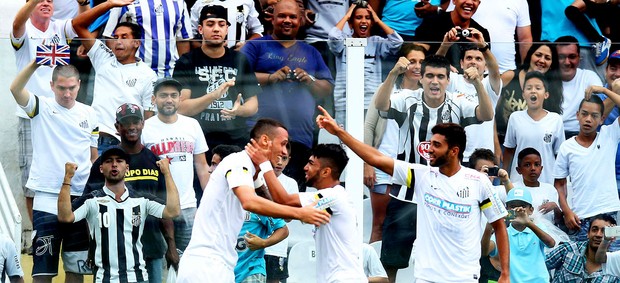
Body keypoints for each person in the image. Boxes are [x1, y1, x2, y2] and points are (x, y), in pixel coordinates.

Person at [315, 111, 510, 282]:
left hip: (464, 278)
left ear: (454, 151)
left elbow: (499, 226)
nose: (429, 149)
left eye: (436, 145)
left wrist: (505, 274)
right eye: (430, 143)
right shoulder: (422, 176)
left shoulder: (478, 182)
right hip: (427, 277)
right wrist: (339, 132)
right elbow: (374, 158)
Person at [176, 118, 330, 283]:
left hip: (217, 266)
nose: (285, 152)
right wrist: (300, 213)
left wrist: (262, 170)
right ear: (265, 141)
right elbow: (249, 201)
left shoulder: (250, 171)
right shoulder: (238, 162)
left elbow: (276, 209)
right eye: (283, 144)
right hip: (207, 266)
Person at [9, 61, 98, 283]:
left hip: (80, 199)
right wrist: (35, 64)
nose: (67, 94)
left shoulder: (90, 113)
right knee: (43, 271)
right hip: (47, 197)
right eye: (61, 88)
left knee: (76, 269)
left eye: (71, 88)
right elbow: (15, 89)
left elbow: (93, 156)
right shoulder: (41, 106)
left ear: (79, 85)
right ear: (51, 85)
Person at [241, 0, 335, 191]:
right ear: (271, 18)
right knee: (257, 195)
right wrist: (270, 77)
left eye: (292, 17)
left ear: (300, 20)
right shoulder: (256, 46)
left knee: (291, 198)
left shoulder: (311, 51)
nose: (287, 20)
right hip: (261, 138)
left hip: (299, 139)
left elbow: (327, 87)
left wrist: (309, 80)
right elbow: (238, 76)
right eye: (282, 16)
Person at [246, 143, 367, 282]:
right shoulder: (331, 198)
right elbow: (281, 210)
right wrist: (257, 182)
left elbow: (283, 201)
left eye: (311, 163)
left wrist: (264, 164)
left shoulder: (332, 196)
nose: (305, 167)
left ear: (325, 172)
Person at [85, 103, 178, 282]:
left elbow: (165, 207)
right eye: (126, 122)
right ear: (117, 127)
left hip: (151, 248)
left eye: (135, 121)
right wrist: (92, 246)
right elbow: (90, 207)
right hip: (114, 253)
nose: (131, 127)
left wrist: (171, 246)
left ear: (143, 124)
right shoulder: (104, 164)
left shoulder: (154, 161)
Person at [58, 148, 181, 283]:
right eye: (109, 161)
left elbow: (173, 211)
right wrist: (67, 178)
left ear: (127, 168)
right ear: (101, 168)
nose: (114, 164)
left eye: (119, 161)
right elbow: (65, 217)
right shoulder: (91, 200)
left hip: (138, 278)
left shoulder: (141, 199)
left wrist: (167, 173)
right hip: (104, 279)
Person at [11, 0, 80, 224]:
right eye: (40, 0)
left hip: (62, 112)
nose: (46, 3)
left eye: (50, 0)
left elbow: (80, 23)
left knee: (66, 173)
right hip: (31, 113)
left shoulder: (59, 27)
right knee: (31, 178)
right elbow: (16, 23)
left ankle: (67, 227)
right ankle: (36, 232)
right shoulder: (24, 29)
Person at [374, 54, 494, 168]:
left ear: (448, 80)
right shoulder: (407, 99)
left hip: (446, 180)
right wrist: (393, 73)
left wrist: (477, 84)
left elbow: (487, 115)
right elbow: (380, 105)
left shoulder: (458, 102)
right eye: (430, 76)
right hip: (411, 182)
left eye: (440, 77)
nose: (435, 81)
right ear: (421, 79)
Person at [71, 0, 158, 154]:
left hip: (128, 144)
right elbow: (77, 24)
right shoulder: (103, 57)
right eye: (115, 37)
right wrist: (110, 4)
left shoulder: (148, 74)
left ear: (136, 42)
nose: (118, 41)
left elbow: (148, 118)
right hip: (96, 142)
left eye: (124, 37)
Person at [173, 5, 260, 154]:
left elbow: (253, 104)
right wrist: (214, 95)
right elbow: (181, 107)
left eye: (221, 24)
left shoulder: (239, 60)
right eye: (210, 24)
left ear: (227, 29)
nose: (216, 29)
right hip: (199, 138)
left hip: (236, 138)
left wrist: (239, 110)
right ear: (200, 29)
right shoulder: (186, 61)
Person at [363, 44, 424, 252]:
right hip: (382, 167)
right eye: (412, 61)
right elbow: (369, 127)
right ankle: (372, 275)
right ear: (402, 62)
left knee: (415, 230)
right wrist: (367, 164)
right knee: (379, 225)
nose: (417, 66)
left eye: (422, 62)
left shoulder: (430, 95)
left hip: (414, 171)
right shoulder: (387, 89)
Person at [142, 78, 211, 253]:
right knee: (160, 264)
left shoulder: (192, 125)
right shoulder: (144, 128)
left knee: (190, 262)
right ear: (153, 99)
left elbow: (202, 168)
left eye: (173, 95)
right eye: (163, 95)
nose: (169, 99)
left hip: (188, 207)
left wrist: (209, 201)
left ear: (180, 98)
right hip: (158, 207)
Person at [554, 94, 620, 246]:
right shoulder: (567, 146)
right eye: (584, 114)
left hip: (610, 215)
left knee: (611, 262)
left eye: (594, 115)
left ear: (602, 119)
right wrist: (567, 211)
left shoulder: (609, 135)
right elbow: (559, 184)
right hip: (579, 218)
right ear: (577, 115)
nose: (588, 119)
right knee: (582, 265)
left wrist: (602, 89)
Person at [328, 2, 403, 128]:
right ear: (351, 23)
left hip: (371, 103)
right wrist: (348, 15)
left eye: (367, 18)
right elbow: (333, 37)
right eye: (358, 17)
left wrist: (377, 20)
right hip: (345, 103)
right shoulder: (343, 41)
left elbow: (397, 42)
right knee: (345, 144)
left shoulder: (376, 41)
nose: (364, 21)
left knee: (368, 144)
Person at [437, 33, 501, 165]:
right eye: (469, 58)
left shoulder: (490, 84)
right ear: (461, 63)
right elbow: (434, 67)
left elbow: (495, 69)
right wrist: (445, 45)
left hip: (484, 158)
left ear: (486, 65)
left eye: (479, 59)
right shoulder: (453, 80)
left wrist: (483, 47)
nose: (473, 61)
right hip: (455, 155)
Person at [503, 72, 565, 184]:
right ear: (523, 94)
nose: (533, 91)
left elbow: (559, 155)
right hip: (518, 181)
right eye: (529, 88)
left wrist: (560, 182)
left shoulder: (555, 120)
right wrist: (504, 178)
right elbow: (509, 150)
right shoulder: (515, 118)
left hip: (546, 180)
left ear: (546, 94)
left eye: (538, 88)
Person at [496, 42, 564, 143]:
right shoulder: (510, 77)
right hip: (502, 138)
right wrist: (496, 143)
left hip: (534, 143)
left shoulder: (552, 87)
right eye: (538, 55)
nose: (542, 60)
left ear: (551, 65)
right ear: (530, 56)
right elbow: (491, 111)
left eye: (547, 58)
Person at [483, 188, 555, 283]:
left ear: (531, 210)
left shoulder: (538, 227)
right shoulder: (503, 232)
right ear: (506, 210)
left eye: (522, 206)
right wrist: (488, 228)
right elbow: (484, 252)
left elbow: (551, 243)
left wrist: (528, 223)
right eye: (512, 207)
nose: (517, 210)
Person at [102, 0, 192, 77]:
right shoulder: (124, 1)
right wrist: (121, 66)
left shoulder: (178, 2)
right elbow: (110, 36)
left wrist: (181, 71)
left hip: (169, 73)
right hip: (134, 72)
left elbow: (183, 40)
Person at [414, 0, 491, 71]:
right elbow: (416, 57)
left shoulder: (481, 34)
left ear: (478, 3)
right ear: (454, 1)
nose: (469, 2)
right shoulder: (431, 23)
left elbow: (487, 68)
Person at [546, 214, 620, 282]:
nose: (598, 235)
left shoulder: (614, 268)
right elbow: (541, 265)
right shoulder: (569, 249)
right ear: (588, 234)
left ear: (612, 238)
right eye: (594, 230)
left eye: (604, 231)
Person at [555, 36, 604, 138]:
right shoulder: (547, 79)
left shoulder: (589, 77)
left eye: (572, 57)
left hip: (582, 135)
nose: (567, 62)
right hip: (553, 134)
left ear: (579, 58)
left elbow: (603, 107)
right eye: (561, 57)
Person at [263, 144, 299, 283]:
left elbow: (290, 217)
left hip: (277, 247)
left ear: (289, 159)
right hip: (255, 243)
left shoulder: (290, 183)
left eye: (284, 158)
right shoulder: (257, 177)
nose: (279, 162)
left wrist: (268, 204)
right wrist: (280, 207)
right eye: (276, 157)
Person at [469, 0, 533, 73]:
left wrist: (524, 72)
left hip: (507, 72)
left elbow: (525, 39)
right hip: (469, 70)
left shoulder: (520, 1)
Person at [512, 147, 562, 224]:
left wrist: (555, 207)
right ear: (519, 170)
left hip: (548, 233)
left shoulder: (550, 189)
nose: (533, 168)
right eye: (527, 165)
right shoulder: (513, 189)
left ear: (541, 168)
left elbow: (559, 221)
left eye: (536, 164)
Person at [189, 0, 263, 49]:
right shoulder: (200, 3)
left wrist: (246, 46)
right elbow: (190, 36)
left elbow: (258, 31)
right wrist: (207, 49)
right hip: (206, 60)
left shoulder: (247, 1)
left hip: (238, 58)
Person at [596, 50, 620, 193]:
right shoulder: (597, 94)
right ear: (605, 71)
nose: (617, 74)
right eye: (613, 68)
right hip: (605, 174)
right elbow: (595, 119)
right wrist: (614, 95)